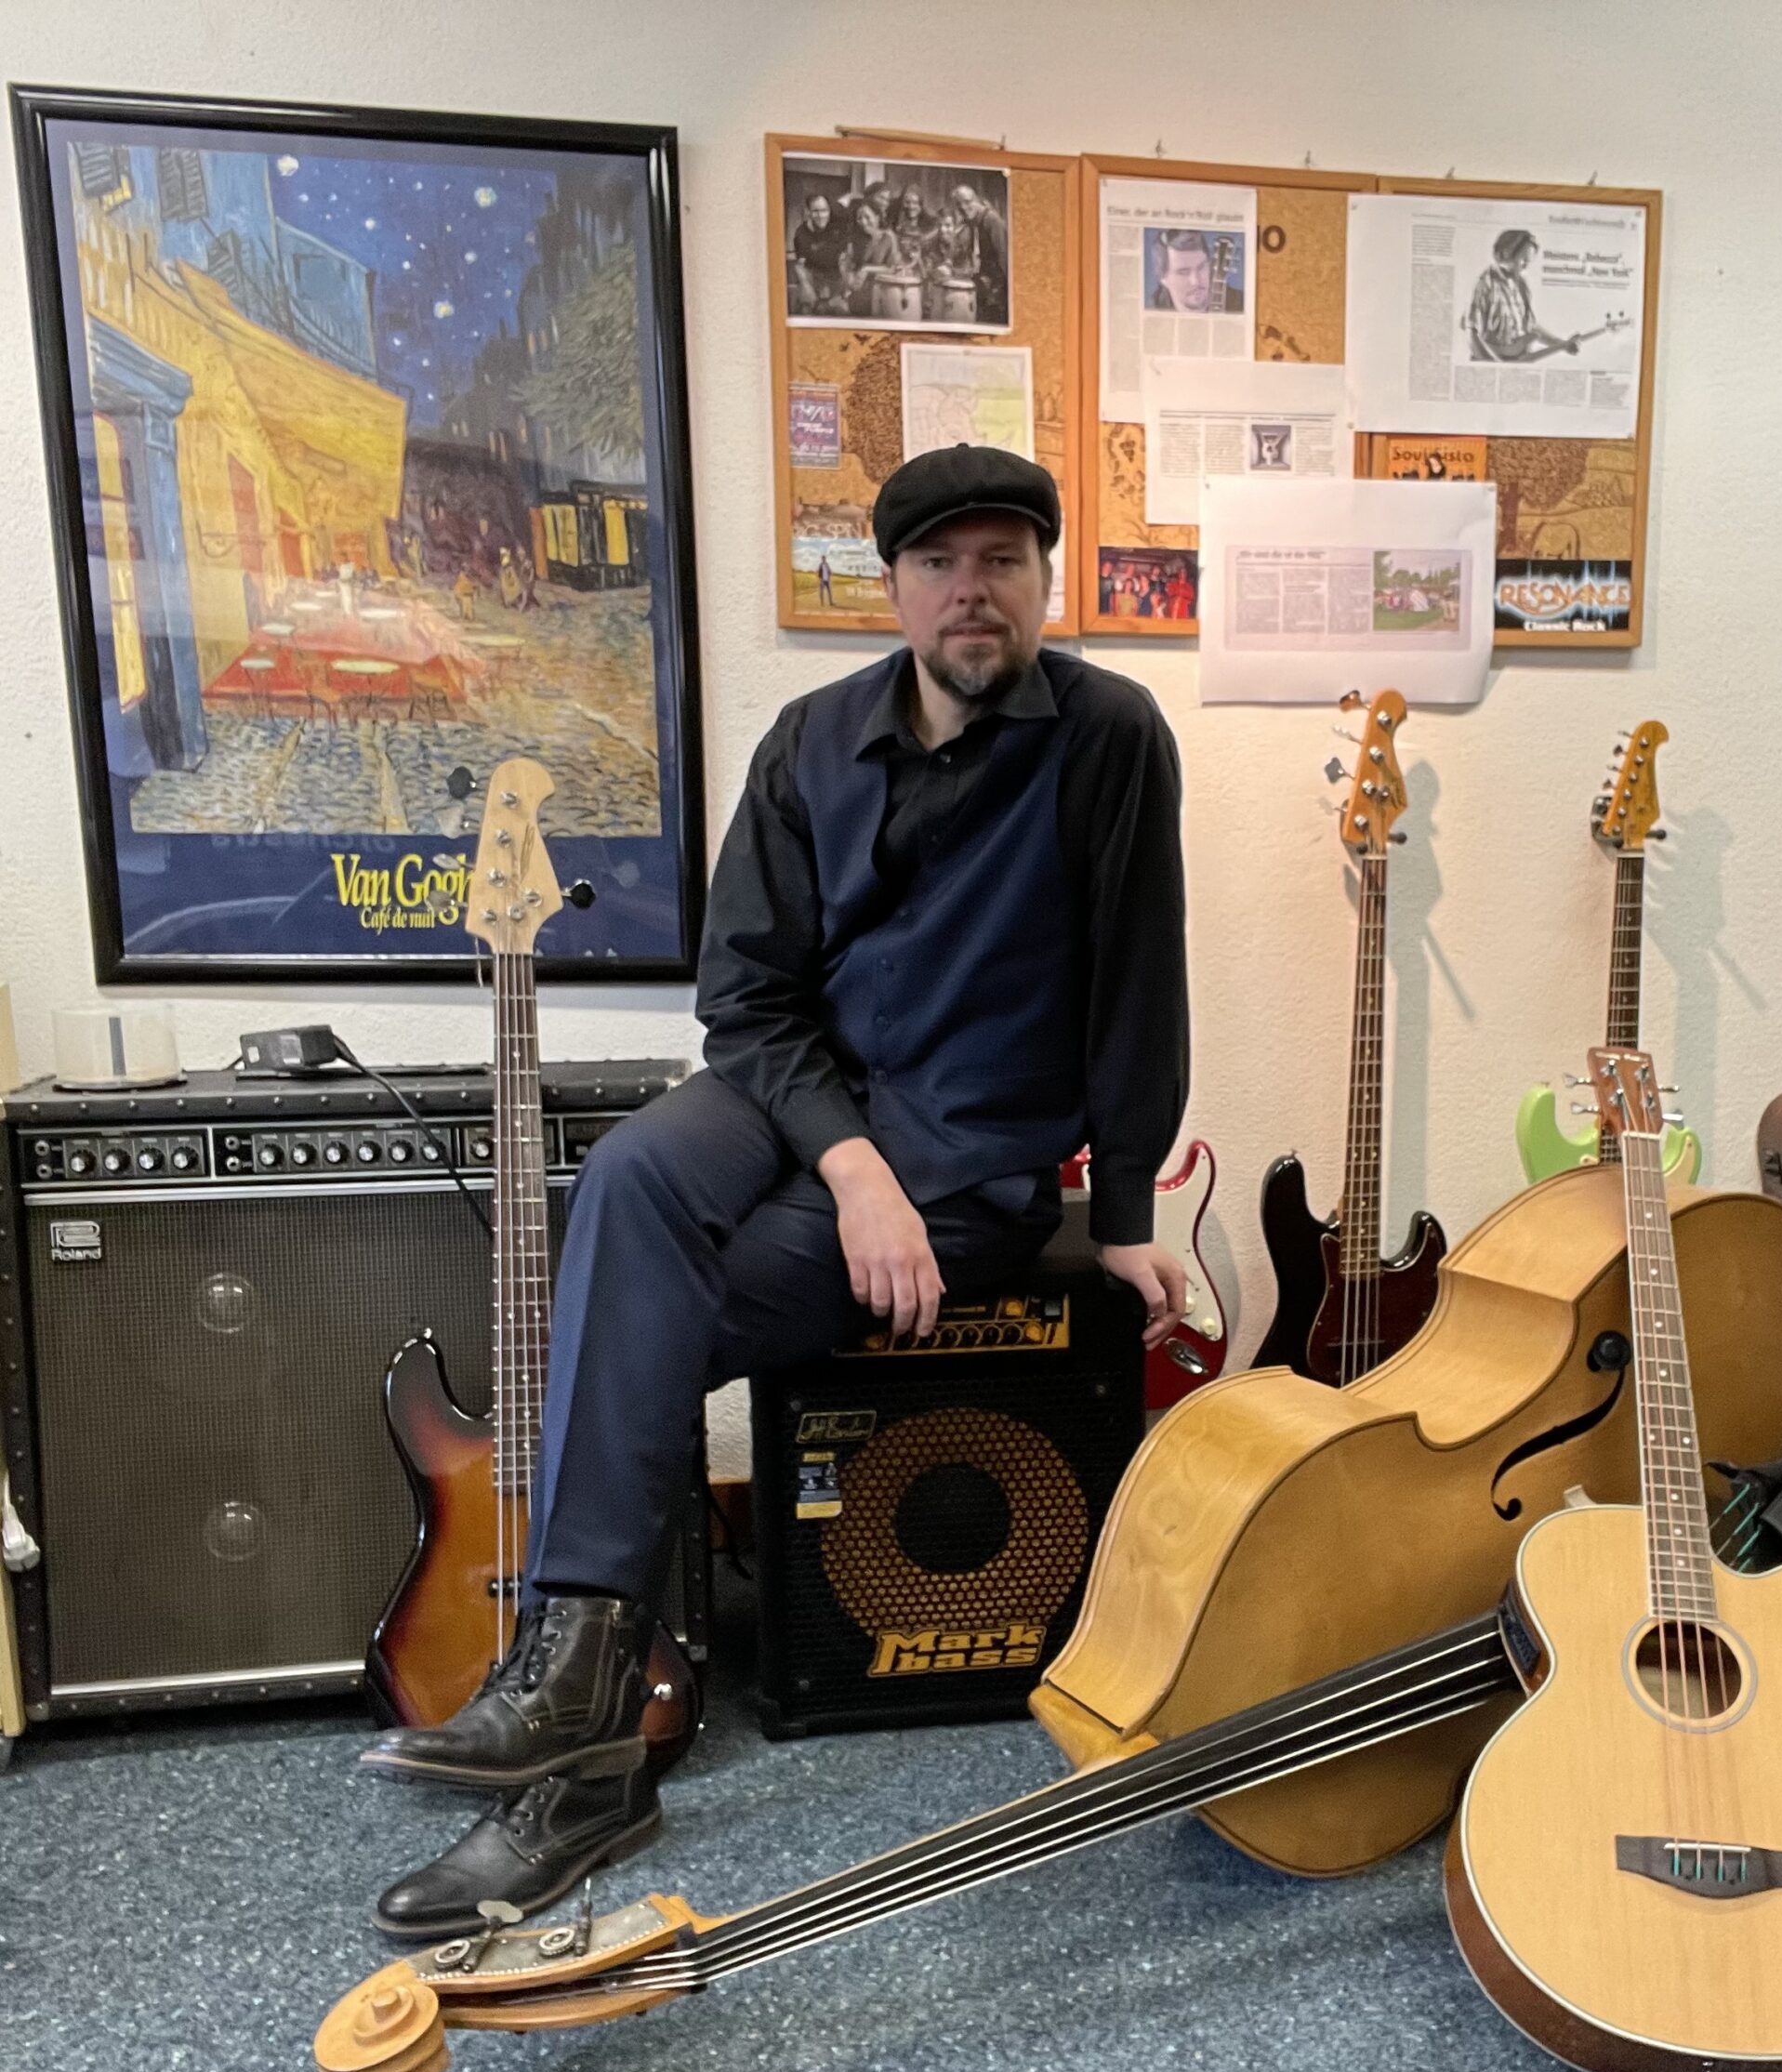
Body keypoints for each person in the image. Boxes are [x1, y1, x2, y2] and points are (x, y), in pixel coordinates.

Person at [360, 447, 1193, 1933]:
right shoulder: (809, 741)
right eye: (938, 564)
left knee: (638, 1321)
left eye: (1002, 560)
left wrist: (1121, 1213)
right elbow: (745, 997)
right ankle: (578, 1687)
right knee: (629, 1176)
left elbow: (1141, 986)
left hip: (971, 1146)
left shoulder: (1110, 736)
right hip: (799, 1101)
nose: (971, 590)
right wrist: (850, 1164)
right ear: (893, 588)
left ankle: (578, 1750)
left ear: (1043, 579)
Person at [1465, 228, 1579, 363]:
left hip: (1520, 358)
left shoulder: (1522, 285)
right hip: (1494, 359)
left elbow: (1530, 326)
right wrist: (1493, 364)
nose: (1526, 266)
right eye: (1523, 260)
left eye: (1529, 261)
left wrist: (1562, 344)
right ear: (1507, 253)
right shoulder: (1486, 284)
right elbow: (1472, 333)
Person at [950, 182, 1010, 322]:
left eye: (967, 202)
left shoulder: (991, 220)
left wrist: (998, 293)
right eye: (959, 205)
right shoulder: (972, 222)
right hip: (984, 286)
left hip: (997, 291)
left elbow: (1005, 259)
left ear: (976, 200)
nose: (964, 207)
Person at [1148, 227, 1241, 315]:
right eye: (1183, 272)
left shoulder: (1240, 304)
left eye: (1201, 267)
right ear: (1163, 278)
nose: (1196, 281)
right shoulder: (1153, 311)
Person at [787, 190, 850, 313]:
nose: (821, 216)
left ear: (829, 210)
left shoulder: (837, 226)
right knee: (807, 307)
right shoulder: (801, 233)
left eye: (824, 210)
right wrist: (807, 287)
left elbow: (844, 260)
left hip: (835, 277)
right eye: (815, 211)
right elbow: (800, 266)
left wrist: (844, 290)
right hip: (813, 278)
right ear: (808, 212)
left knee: (842, 310)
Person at [837, 198, 904, 313]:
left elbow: (892, 269)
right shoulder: (854, 240)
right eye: (859, 218)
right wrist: (848, 276)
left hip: (882, 291)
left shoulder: (888, 237)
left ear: (877, 217)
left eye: (867, 217)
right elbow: (848, 267)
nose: (863, 222)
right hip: (858, 293)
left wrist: (867, 269)